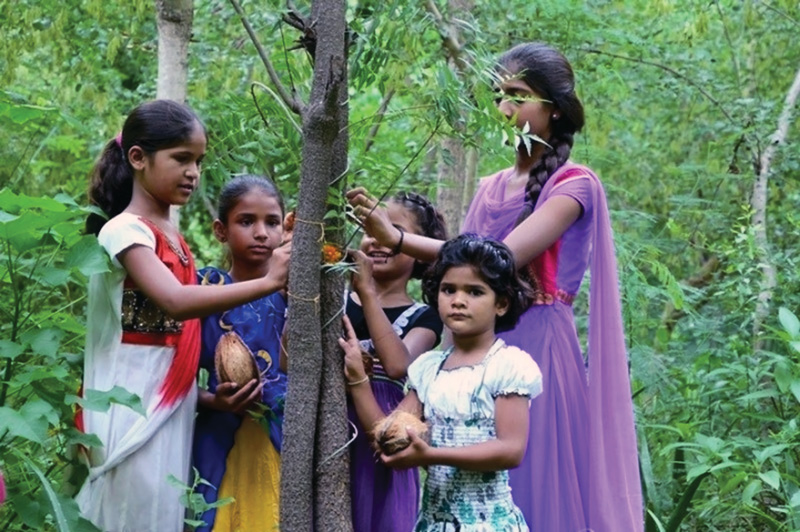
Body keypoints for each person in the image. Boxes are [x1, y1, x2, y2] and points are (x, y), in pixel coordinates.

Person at [346, 42, 643, 531]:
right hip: (472, 345)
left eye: (519, 95)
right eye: (499, 95)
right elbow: (464, 269)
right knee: (461, 476)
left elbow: (497, 262)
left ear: (555, 107)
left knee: (529, 477)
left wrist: (395, 236)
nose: (505, 109)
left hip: (540, 344)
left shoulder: (575, 184)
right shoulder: (489, 186)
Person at [76, 100, 290, 532]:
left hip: (170, 404)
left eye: (198, 160)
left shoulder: (173, 236)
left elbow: (179, 342)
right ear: (138, 158)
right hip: (127, 398)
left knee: (164, 514)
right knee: (124, 511)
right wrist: (270, 282)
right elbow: (174, 301)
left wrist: (209, 399)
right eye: (181, 158)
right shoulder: (124, 229)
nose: (193, 171)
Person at [342, 234, 541, 531]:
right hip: (434, 524)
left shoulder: (508, 366)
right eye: (449, 289)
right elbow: (389, 437)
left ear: (501, 303)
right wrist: (358, 381)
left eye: (474, 292)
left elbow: (511, 450)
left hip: (489, 524)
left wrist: (432, 455)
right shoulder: (429, 369)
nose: (458, 301)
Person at [192, 175, 290, 531]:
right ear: (221, 230)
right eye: (246, 221)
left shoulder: (300, 292)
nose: (261, 233)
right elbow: (171, 374)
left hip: (285, 434)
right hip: (219, 433)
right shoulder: (205, 289)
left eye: (272, 222)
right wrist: (209, 400)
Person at [346, 191, 447, 532]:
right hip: (331, 425)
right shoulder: (338, 300)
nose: (376, 240)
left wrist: (367, 293)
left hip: (383, 437)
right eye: (370, 229)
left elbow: (397, 365)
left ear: (419, 249)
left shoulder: (427, 316)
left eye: (389, 229)